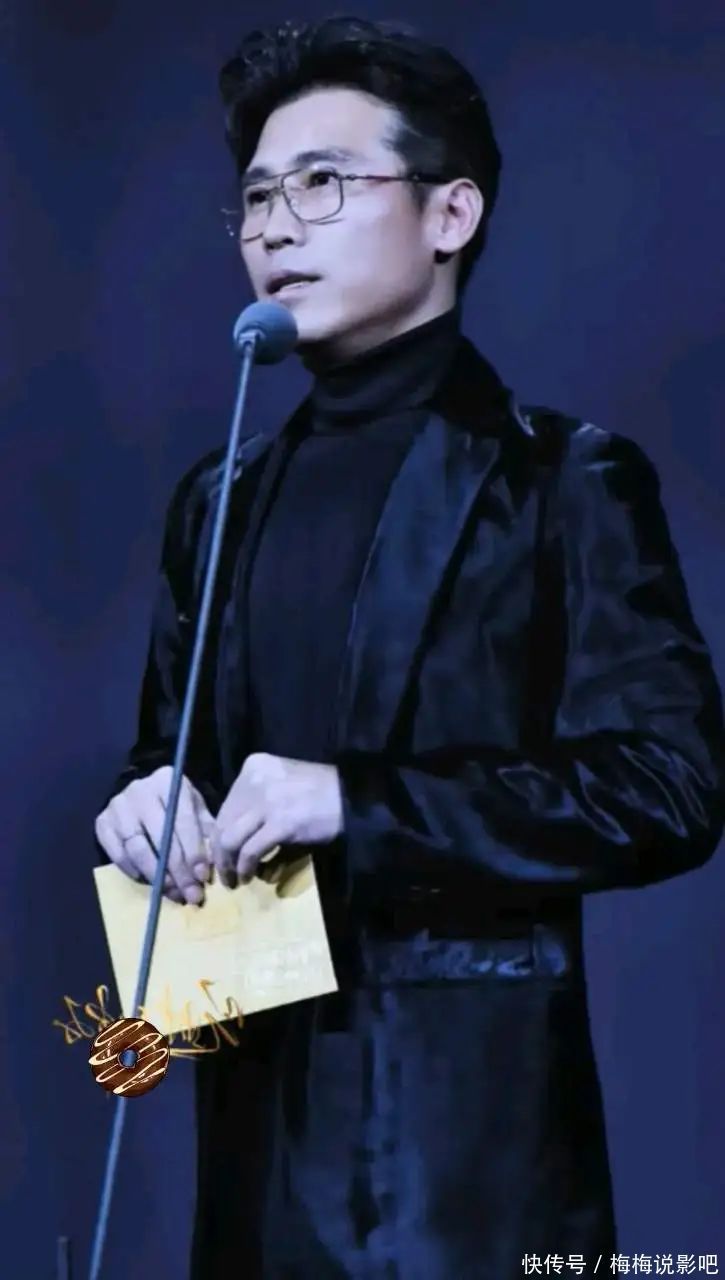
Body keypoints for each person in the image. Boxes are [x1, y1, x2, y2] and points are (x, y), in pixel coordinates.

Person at [93, 15, 725, 1279]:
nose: (276, 228)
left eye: (322, 182)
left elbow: (669, 786)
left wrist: (356, 804)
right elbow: (174, 755)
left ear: (449, 213)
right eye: (256, 197)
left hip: (468, 1179)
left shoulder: (562, 479)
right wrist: (144, 803)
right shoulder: (215, 500)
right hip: (251, 1157)